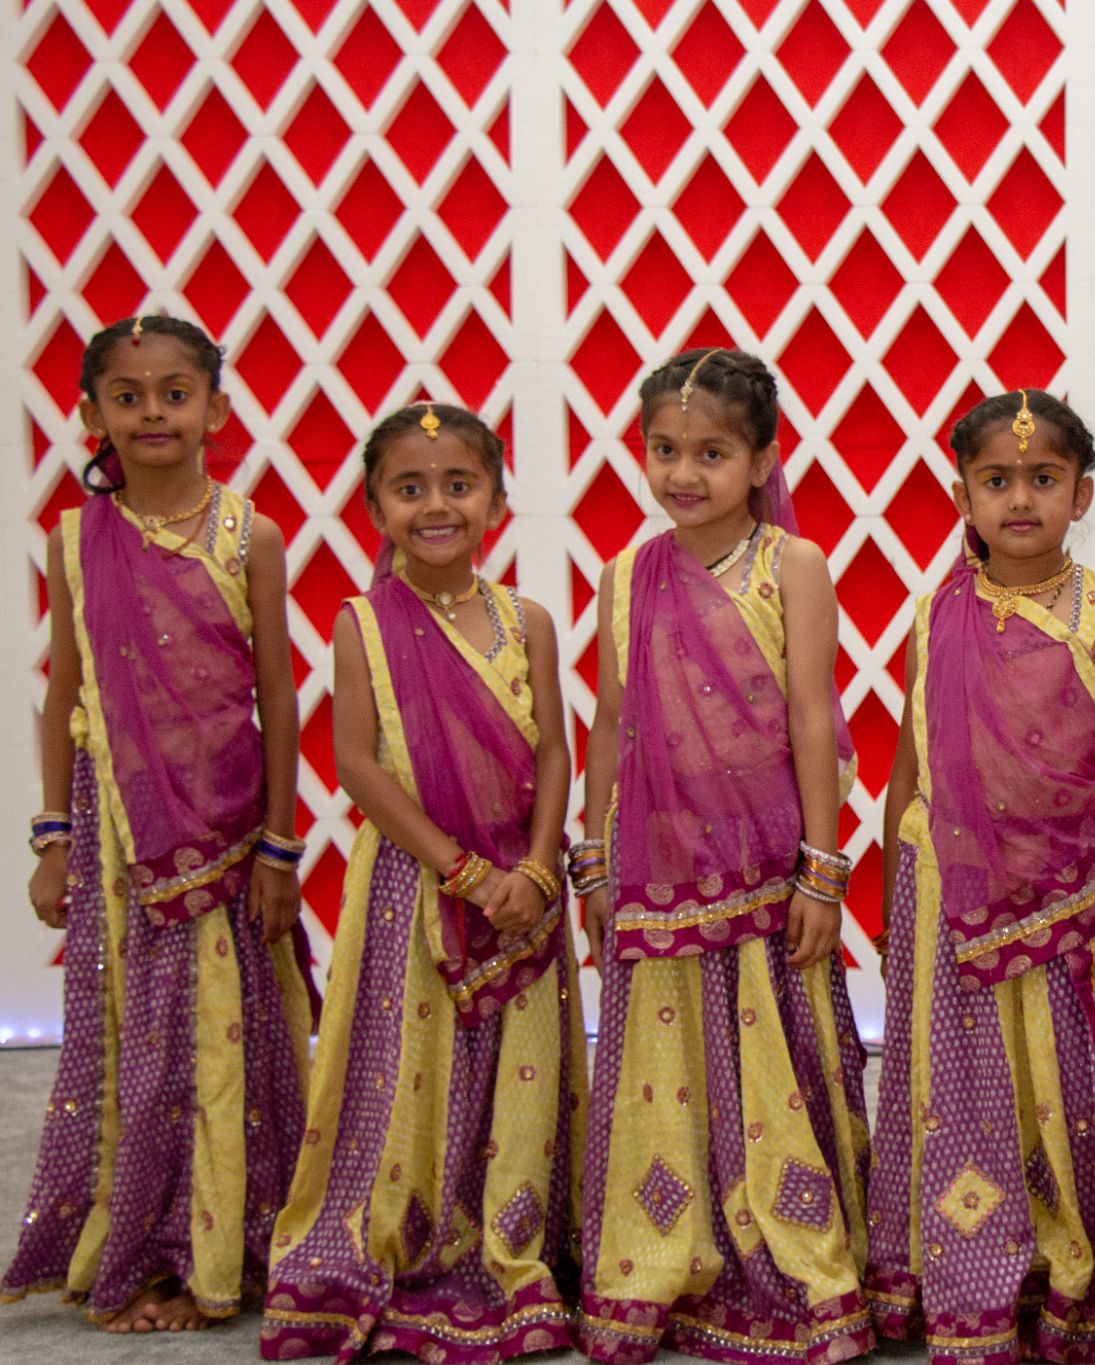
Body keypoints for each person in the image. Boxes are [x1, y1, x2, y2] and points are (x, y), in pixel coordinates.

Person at [865, 389, 1095, 1365]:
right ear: (962, 497)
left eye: (1042, 478)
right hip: (944, 902)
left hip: (1069, 901)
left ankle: (1080, 1262)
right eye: (996, 480)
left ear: (1081, 494)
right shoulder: (935, 613)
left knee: (1071, 1086)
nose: (1019, 498)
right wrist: (896, 905)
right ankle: (971, 1270)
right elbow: (908, 768)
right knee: (963, 1093)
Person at [3, 314, 315, 1333]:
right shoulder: (75, 540)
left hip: (230, 831)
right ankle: (143, 1249)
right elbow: (65, 697)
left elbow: (276, 698)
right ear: (91, 414)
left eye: (175, 393)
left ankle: (231, 1245)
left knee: (232, 1043)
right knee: (140, 1046)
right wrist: (52, 840)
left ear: (214, 410)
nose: (152, 412)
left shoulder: (250, 535)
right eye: (127, 395)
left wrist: (279, 847)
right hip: (120, 838)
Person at [262, 402, 585, 1362]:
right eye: (410, 488)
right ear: (375, 509)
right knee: (408, 1070)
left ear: (496, 500)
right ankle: (409, 1233)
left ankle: (513, 1245)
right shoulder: (362, 623)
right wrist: (468, 874)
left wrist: (536, 869)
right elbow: (358, 764)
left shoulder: (528, 620)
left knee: (521, 1072)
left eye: (458, 484)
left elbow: (556, 750)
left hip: (526, 894)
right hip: (414, 892)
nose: (436, 505)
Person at [576, 348, 873, 1365]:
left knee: (776, 1066)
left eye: (711, 452)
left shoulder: (792, 564)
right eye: (664, 450)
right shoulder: (626, 575)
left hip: (764, 869)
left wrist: (822, 871)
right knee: (667, 1075)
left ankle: (794, 1251)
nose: (683, 473)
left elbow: (810, 718)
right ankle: (668, 1249)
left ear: (762, 460)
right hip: (655, 869)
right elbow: (610, 722)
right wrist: (593, 859)